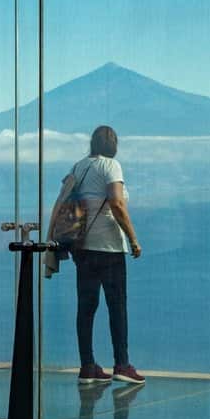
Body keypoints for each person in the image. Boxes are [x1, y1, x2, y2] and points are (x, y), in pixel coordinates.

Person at [54, 124, 144, 385]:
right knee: (117, 306)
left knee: (86, 307)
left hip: (81, 246)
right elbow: (116, 202)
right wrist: (133, 239)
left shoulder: (79, 166)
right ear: (113, 145)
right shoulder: (111, 166)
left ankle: (87, 366)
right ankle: (122, 364)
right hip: (109, 247)